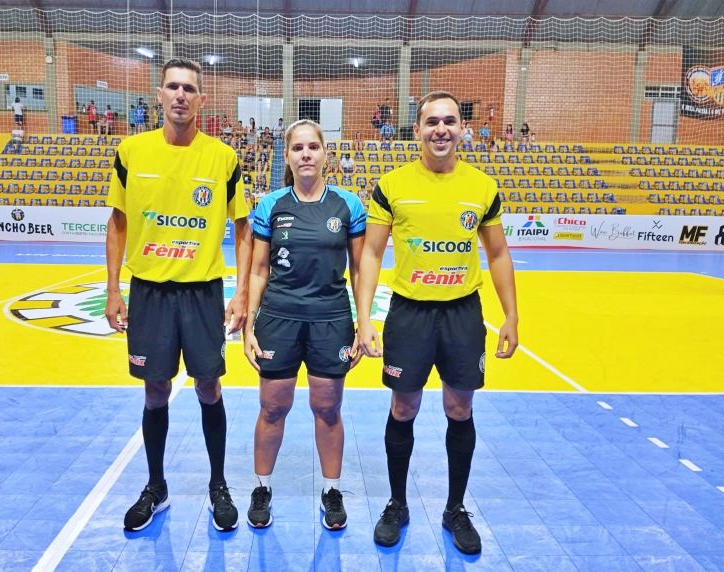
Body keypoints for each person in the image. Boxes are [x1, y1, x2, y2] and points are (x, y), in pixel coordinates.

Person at [356, 91, 518, 554]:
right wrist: (364, 318)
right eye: (432, 122)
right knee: (403, 408)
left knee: (459, 410)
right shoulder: (393, 185)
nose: (441, 129)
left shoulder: (482, 187)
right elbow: (371, 253)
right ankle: (397, 504)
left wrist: (511, 315)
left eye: (450, 121)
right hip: (409, 313)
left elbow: (498, 253)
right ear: (417, 130)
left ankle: (454, 509)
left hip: (462, 313)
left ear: (462, 129)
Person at [104, 58, 253, 533]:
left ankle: (218, 485)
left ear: (201, 100)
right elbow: (118, 222)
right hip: (149, 292)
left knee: (209, 386)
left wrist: (241, 293)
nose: (181, 95)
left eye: (189, 88)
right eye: (173, 87)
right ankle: (156, 486)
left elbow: (243, 228)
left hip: (202, 293)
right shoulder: (132, 152)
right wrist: (113, 288)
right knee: (155, 389)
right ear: (160, 95)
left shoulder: (222, 158)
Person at [243, 119, 365, 530]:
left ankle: (332, 491)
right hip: (279, 318)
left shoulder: (348, 205)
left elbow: (360, 270)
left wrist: (364, 323)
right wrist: (249, 326)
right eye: (298, 148)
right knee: (272, 407)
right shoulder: (270, 205)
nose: (306, 154)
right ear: (288, 156)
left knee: (328, 409)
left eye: (313, 146)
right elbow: (258, 270)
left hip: (331, 319)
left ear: (325, 154)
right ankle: (262, 487)